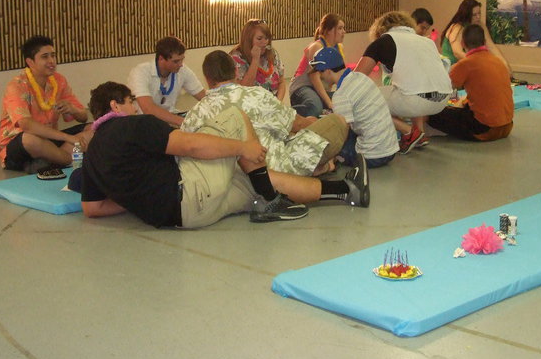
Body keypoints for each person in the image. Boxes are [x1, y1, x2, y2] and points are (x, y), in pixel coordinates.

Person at [80, 82, 369, 228]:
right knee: (233, 115)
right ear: (115, 106)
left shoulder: (92, 153)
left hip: (182, 218)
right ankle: (269, 198)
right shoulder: (132, 126)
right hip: (191, 190)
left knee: (259, 182)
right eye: (132, 102)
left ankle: (347, 190)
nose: (136, 108)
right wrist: (243, 147)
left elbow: (93, 208)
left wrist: (138, 197)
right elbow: (190, 145)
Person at [182, 51, 348, 176]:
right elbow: (297, 124)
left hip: (228, 177)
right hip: (276, 167)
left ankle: (321, 167)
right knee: (337, 121)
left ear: (207, 78)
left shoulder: (194, 114)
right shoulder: (256, 95)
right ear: (235, 72)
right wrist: (315, 122)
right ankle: (323, 166)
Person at [354, 11, 452, 154]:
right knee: (412, 86)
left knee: (364, 98)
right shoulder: (427, 41)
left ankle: (408, 131)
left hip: (414, 101)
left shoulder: (382, 41)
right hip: (443, 100)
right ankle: (419, 133)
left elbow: (356, 78)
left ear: (380, 29)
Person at [0, 35, 89, 175]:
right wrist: (67, 138)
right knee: (30, 139)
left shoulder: (59, 80)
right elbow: (26, 125)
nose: (52, 61)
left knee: (94, 127)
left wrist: (73, 109)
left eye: (53, 55)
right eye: (45, 57)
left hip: (50, 140)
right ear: (30, 62)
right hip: (20, 145)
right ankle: (66, 159)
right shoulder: (16, 85)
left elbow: (83, 117)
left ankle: (49, 161)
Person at [311, 46, 399, 168]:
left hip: (373, 157)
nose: (320, 77)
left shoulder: (341, 95)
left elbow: (341, 133)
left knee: (328, 145)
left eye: (320, 72)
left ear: (327, 71)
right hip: (391, 149)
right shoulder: (361, 77)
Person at [428, 24, 514, 141]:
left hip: (484, 128)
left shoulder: (466, 64)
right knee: (464, 104)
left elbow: (443, 89)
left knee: (432, 113)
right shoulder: (498, 61)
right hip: (507, 126)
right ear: (484, 42)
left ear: (462, 43)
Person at [127, 36, 205, 127]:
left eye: (182, 59)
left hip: (169, 120)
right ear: (161, 59)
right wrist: (184, 122)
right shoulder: (140, 72)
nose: (181, 65)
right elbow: (148, 109)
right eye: (176, 61)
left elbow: (204, 96)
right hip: (143, 122)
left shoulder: (183, 70)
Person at [290, 13, 346, 117]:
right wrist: (329, 103)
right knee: (315, 107)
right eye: (340, 28)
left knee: (345, 102)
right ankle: (289, 114)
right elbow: (314, 79)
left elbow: (338, 77)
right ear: (329, 31)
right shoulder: (317, 47)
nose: (344, 32)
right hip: (303, 87)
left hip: (318, 90)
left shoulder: (339, 48)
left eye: (343, 28)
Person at [439, 0, 510, 72]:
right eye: (474, 15)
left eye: (479, 13)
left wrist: (505, 66)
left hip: (468, 66)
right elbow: (458, 53)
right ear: (466, 16)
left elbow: (491, 47)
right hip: (451, 68)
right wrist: (479, 63)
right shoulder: (457, 28)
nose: (478, 17)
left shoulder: (480, 25)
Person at [231, 19, 286, 101]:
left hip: (273, 104)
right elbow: (244, 89)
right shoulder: (236, 57)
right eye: (259, 39)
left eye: (266, 38)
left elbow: (281, 82)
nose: (264, 42)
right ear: (248, 40)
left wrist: (278, 103)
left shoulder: (272, 53)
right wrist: (255, 60)